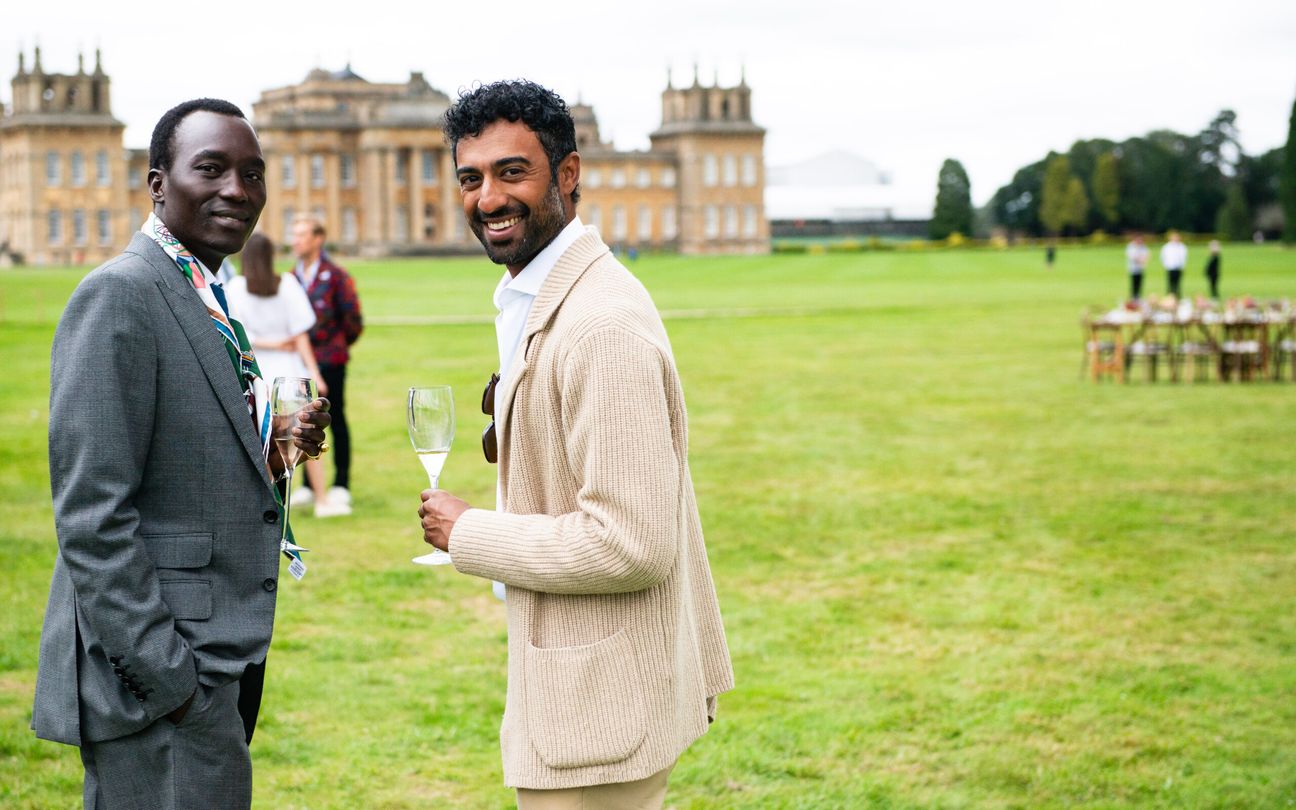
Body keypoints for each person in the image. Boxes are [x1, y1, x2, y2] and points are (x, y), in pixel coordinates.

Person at [418, 80, 733, 809]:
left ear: (567, 174)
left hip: (600, 715)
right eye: (471, 178)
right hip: (585, 690)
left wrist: (470, 534)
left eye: (512, 172)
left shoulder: (599, 326)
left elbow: (631, 542)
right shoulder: (545, 296)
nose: (489, 198)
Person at [31, 98, 330, 810]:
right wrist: (170, 679)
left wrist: (272, 451)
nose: (238, 190)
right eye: (212, 169)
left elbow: (183, 463)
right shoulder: (120, 295)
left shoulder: (200, 289)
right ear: (158, 184)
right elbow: (92, 516)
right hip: (164, 679)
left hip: (216, 658)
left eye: (252, 174)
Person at [226, 232, 337, 515]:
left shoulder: (235, 287)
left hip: (259, 375)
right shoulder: (286, 284)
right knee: (306, 435)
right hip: (290, 374)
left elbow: (240, 335)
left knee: (266, 442)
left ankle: (270, 505)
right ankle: (321, 499)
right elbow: (300, 333)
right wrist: (315, 374)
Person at [289, 215, 362, 516]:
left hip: (330, 361)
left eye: (302, 235)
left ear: (318, 239)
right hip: (299, 364)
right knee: (304, 422)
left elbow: (353, 321)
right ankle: (308, 484)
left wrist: (335, 346)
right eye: (294, 235)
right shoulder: (290, 278)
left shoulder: (336, 276)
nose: (295, 241)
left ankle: (341, 483)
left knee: (337, 419)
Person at [1160, 231, 1188, 298]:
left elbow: (1184, 257)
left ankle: (1177, 296)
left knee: (1178, 283)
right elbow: (1163, 256)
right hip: (1170, 267)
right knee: (1170, 283)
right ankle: (1170, 296)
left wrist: (1182, 266)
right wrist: (1166, 265)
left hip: (1178, 267)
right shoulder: (1167, 247)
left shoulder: (1182, 247)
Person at [1125, 234, 1149, 300]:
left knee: (1140, 283)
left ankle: (1138, 296)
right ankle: (1133, 296)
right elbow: (1132, 257)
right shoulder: (1131, 246)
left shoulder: (1143, 246)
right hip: (1133, 268)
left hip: (1141, 268)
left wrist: (1144, 260)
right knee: (1133, 283)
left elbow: (1147, 254)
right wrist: (1140, 260)